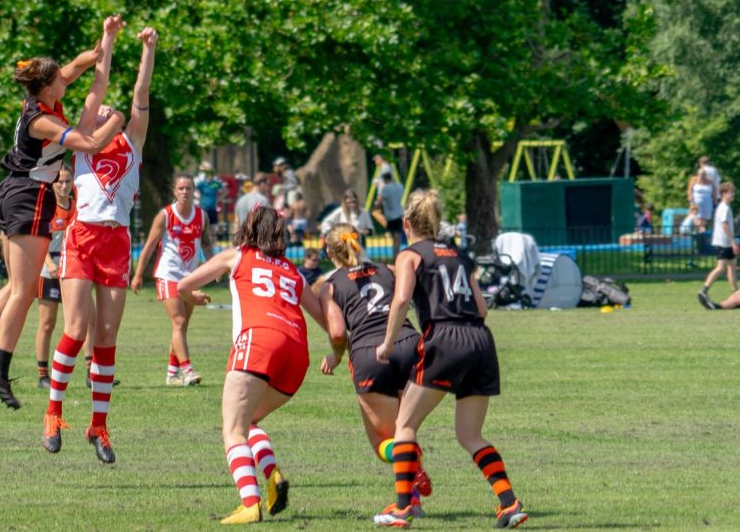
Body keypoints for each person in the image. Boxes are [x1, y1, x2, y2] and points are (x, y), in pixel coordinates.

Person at [0, 14, 127, 409]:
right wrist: (116, 122)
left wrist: (107, 38)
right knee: (25, 290)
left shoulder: (46, 94)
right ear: (49, 85)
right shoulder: (43, 119)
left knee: (15, 284)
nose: (66, 81)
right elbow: (86, 143)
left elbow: (84, 63)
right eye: (61, 80)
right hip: (28, 195)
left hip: (13, 192)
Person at [372, 189, 528, 529]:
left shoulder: (409, 255)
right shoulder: (459, 254)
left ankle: (401, 508)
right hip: (480, 340)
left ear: (406, 223)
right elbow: (482, 308)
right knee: (470, 434)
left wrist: (386, 344)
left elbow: (400, 301)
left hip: (443, 338)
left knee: (405, 426)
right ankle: (508, 502)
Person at [40, 25, 157, 463]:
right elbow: (99, 81)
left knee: (107, 336)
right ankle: (53, 414)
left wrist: (149, 49)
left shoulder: (132, 141)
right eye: (100, 107)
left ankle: (99, 427)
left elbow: (141, 93)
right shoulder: (86, 137)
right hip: (83, 235)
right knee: (75, 328)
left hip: (117, 240)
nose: (106, 107)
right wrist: (107, 38)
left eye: (111, 109)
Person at [176, 206, 327, 524]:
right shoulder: (293, 271)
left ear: (249, 228)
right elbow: (326, 320)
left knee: (232, 430)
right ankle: (272, 476)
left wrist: (193, 298)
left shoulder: (238, 255)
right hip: (297, 351)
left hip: (259, 342)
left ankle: (250, 504)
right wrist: (341, 351)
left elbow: (183, 285)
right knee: (249, 421)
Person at [317, 224, 429, 515]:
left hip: (369, 354)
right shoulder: (388, 269)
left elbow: (339, 332)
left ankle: (411, 479)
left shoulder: (330, 286)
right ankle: (412, 494)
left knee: (385, 439)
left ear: (330, 252)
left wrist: (337, 356)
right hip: (408, 344)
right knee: (406, 428)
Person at [131, 172, 215, 386]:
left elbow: (205, 244)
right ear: (174, 192)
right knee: (178, 322)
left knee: (182, 326)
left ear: (194, 191)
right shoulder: (165, 215)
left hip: (189, 278)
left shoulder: (201, 216)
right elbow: (149, 245)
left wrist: (214, 268)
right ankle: (187, 371)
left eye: (188, 188)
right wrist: (139, 274)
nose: (185, 192)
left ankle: (171, 374)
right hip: (168, 275)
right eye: (181, 189)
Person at [34, 167, 76, 389]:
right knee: (48, 323)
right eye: (59, 181)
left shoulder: (77, 206)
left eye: (67, 181)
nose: (63, 185)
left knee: (79, 321)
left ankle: (91, 371)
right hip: (49, 269)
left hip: (72, 268)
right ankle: (43, 374)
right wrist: (50, 265)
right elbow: (39, 241)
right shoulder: (47, 207)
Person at [699, 182, 738, 308]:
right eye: (731, 192)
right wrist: (733, 241)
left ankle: (735, 292)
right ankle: (704, 290)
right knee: (721, 267)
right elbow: (724, 224)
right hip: (723, 242)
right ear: (724, 193)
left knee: (732, 266)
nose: (733, 195)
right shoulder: (724, 207)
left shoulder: (725, 207)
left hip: (726, 242)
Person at [376, 172, 405, 254]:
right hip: (399, 214)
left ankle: (395, 254)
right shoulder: (400, 186)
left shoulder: (385, 189)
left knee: (392, 238)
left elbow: (380, 201)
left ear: (384, 180)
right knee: (398, 238)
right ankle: (397, 253)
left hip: (390, 216)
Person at [195, 161, 224, 230]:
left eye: (212, 174)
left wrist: (219, 198)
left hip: (213, 208)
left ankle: (213, 241)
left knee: (213, 228)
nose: (211, 176)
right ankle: (204, 240)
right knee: (203, 228)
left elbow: (226, 191)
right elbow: (193, 189)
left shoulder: (216, 183)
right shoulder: (202, 183)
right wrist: (198, 198)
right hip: (204, 208)